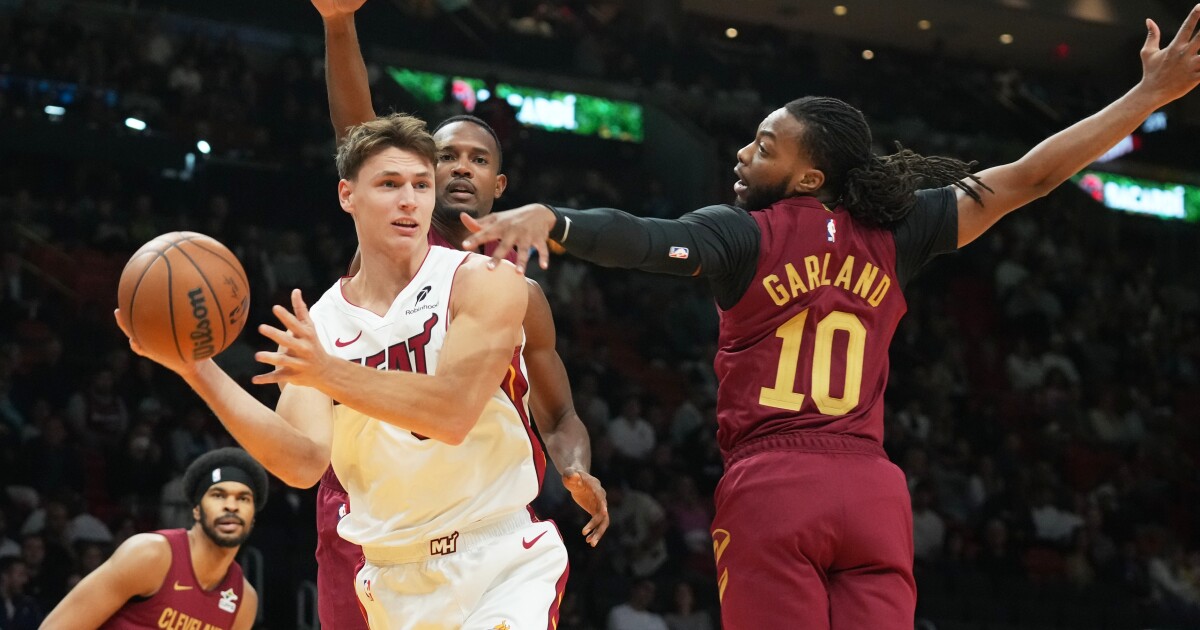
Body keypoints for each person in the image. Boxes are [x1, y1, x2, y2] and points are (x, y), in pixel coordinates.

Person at [460, 9, 1200, 628]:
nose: (745, 153)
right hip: (874, 495)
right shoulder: (903, 229)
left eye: (766, 147)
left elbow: (646, 239)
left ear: (809, 176)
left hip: (774, 486)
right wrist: (1147, 96)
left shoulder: (739, 231)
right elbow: (1034, 175)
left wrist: (554, 219)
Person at [115, 113, 571, 629]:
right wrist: (199, 370)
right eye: (390, 184)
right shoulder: (322, 324)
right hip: (391, 579)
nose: (410, 200)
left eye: (422, 184)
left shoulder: (484, 282)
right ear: (346, 196)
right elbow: (303, 463)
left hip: (498, 560)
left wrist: (326, 373)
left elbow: (452, 412)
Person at [312, 1, 609, 626]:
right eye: (447, 157)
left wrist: (576, 469)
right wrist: (339, 24)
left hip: (474, 524)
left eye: (479, 159)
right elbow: (355, 135)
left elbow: (556, 412)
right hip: (370, 510)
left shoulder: (508, 286)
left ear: (501, 184)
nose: (462, 168)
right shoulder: (393, 240)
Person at [39, 448, 264, 630]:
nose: (231, 506)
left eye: (243, 499)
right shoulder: (150, 555)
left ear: (253, 516)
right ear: (196, 510)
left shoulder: (243, 600)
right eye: (218, 495)